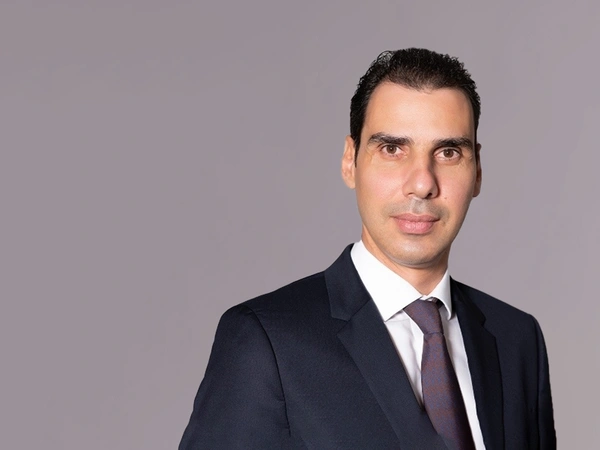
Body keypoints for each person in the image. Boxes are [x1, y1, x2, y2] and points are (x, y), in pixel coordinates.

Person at [179, 48, 556, 449]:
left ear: (477, 170)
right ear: (350, 161)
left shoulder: (517, 340)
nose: (422, 183)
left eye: (448, 153)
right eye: (392, 149)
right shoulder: (266, 341)